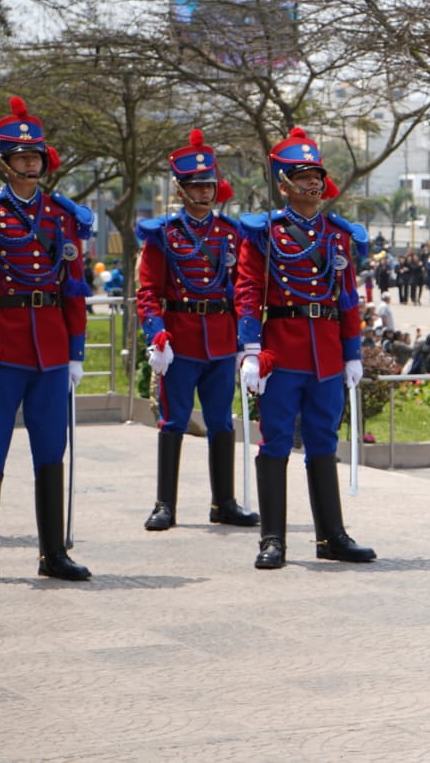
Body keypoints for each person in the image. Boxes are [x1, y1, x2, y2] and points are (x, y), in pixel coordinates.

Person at [0, 96, 92, 587]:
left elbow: (74, 288)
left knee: (51, 449)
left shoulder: (61, 216)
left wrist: (76, 351)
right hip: (1, 349)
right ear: (4, 161)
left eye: (35, 156)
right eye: (21, 156)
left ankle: (53, 552)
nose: (30, 163)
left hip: (50, 349)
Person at [234, 126, 375, 569]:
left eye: (317, 174)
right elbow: (247, 290)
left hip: (327, 353)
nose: (313, 183)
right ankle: (272, 539)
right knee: (275, 441)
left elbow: (348, 296)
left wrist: (352, 352)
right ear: (284, 184)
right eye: (302, 175)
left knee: (323, 441)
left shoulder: (337, 234)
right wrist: (250, 348)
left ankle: (331, 536)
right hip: (284, 349)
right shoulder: (265, 233)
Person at [135, 128, 259, 532]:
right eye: (196, 186)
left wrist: (247, 342)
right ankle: (164, 504)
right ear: (181, 189)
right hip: (181, 340)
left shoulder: (231, 233)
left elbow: (243, 289)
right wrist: (155, 335)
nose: (204, 193)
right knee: (174, 422)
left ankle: (223, 502)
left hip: (221, 342)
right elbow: (148, 291)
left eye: (208, 185)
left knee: (222, 422)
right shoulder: (163, 234)